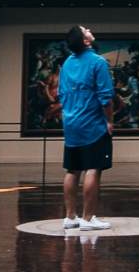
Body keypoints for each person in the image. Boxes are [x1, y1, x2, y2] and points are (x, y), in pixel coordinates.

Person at [59, 25, 114, 230]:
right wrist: (109, 121)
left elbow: (62, 95)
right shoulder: (98, 63)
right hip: (93, 125)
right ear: (86, 41)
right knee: (93, 168)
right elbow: (106, 99)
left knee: (72, 170)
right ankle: (88, 219)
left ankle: (70, 217)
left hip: (71, 124)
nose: (89, 30)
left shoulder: (66, 63)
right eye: (85, 30)